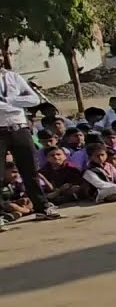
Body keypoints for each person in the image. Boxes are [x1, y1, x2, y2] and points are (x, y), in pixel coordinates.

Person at [0, 65, 61, 229]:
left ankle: (42, 207)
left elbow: (34, 99)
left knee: (30, 170)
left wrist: (10, 101)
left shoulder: (12, 77)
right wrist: (15, 104)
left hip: (19, 128)